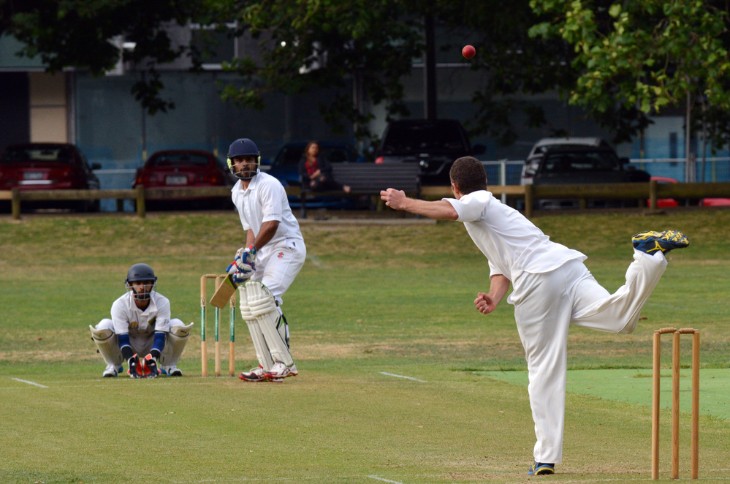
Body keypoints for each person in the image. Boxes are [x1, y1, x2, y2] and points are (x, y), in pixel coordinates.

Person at [380, 156, 689, 476]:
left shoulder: (478, 200)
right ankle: (647, 258)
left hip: (539, 280)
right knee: (619, 319)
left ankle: (545, 457)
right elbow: (500, 269)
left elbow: (449, 211)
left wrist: (406, 204)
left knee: (544, 368)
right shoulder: (495, 215)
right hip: (567, 269)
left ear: (455, 187)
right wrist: (494, 297)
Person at [226, 137, 307, 382]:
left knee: (265, 298)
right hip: (263, 251)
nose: (245, 164)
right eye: (240, 161)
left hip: (286, 247)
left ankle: (285, 363)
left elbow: (271, 225)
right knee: (250, 305)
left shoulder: (269, 185)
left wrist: (252, 251)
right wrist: (246, 252)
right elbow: (251, 228)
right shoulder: (236, 193)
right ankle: (266, 363)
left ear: (257, 161)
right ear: (232, 164)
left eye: (249, 160)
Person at [89, 263, 193, 378]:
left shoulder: (162, 302)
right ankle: (113, 365)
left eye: (146, 282)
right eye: (138, 283)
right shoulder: (119, 305)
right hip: (128, 342)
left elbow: (160, 337)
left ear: (152, 283)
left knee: (178, 325)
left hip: (152, 342)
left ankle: (169, 365)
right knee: (104, 326)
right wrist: (131, 360)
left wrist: (152, 357)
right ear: (130, 285)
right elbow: (122, 339)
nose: (142, 287)